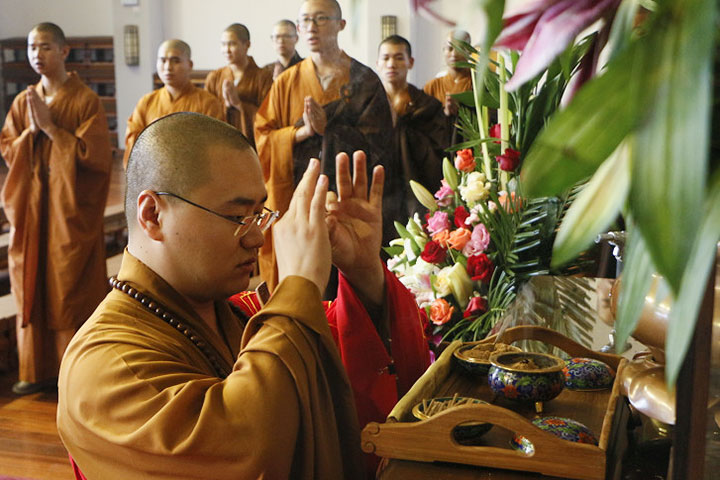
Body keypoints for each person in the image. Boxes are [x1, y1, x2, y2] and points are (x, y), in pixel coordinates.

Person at [57, 112, 430, 479]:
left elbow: (345, 348)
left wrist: (363, 271)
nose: (256, 238)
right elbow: (246, 447)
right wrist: (300, 281)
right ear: (153, 215)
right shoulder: (102, 367)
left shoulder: (241, 313)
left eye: (259, 214)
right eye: (237, 217)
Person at [0, 22, 112, 395]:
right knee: (30, 280)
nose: (37, 55)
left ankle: (73, 372)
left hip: (68, 216)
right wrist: (31, 133)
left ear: (64, 52)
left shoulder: (85, 100)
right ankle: (34, 369)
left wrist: (51, 130)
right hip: (32, 213)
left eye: (45, 47)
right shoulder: (22, 102)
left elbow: (94, 158)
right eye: (32, 48)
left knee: (68, 286)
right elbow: (8, 147)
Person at [255, 0, 395, 291]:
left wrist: (330, 130)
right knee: (300, 287)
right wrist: (304, 133)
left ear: (341, 25)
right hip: (295, 200)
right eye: (305, 21)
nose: (311, 27)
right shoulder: (286, 81)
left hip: (345, 203)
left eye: (320, 19)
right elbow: (263, 135)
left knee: (343, 289)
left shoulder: (365, 80)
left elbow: (380, 146)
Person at [123, 39, 224, 168]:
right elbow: (133, 142)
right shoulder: (146, 102)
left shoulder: (207, 102)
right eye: (163, 60)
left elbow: (215, 145)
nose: (168, 67)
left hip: (194, 175)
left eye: (175, 61)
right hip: (153, 174)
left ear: (190, 64)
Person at [377, 35, 448, 217]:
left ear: (411, 62)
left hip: (415, 194)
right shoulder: (368, 106)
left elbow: (439, 153)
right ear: (377, 63)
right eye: (385, 58)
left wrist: (402, 127)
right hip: (378, 194)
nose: (391, 64)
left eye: (399, 58)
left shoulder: (427, 105)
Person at [205, 24, 272, 147]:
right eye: (223, 44)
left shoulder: (263, 77)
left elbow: (268, 117)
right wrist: (225, 105)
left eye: (232, 44)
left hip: (252, 145)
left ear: (247, 45)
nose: (226, 50)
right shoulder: (214, 77)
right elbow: (206, 116)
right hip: (220, 143)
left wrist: (239, 105)